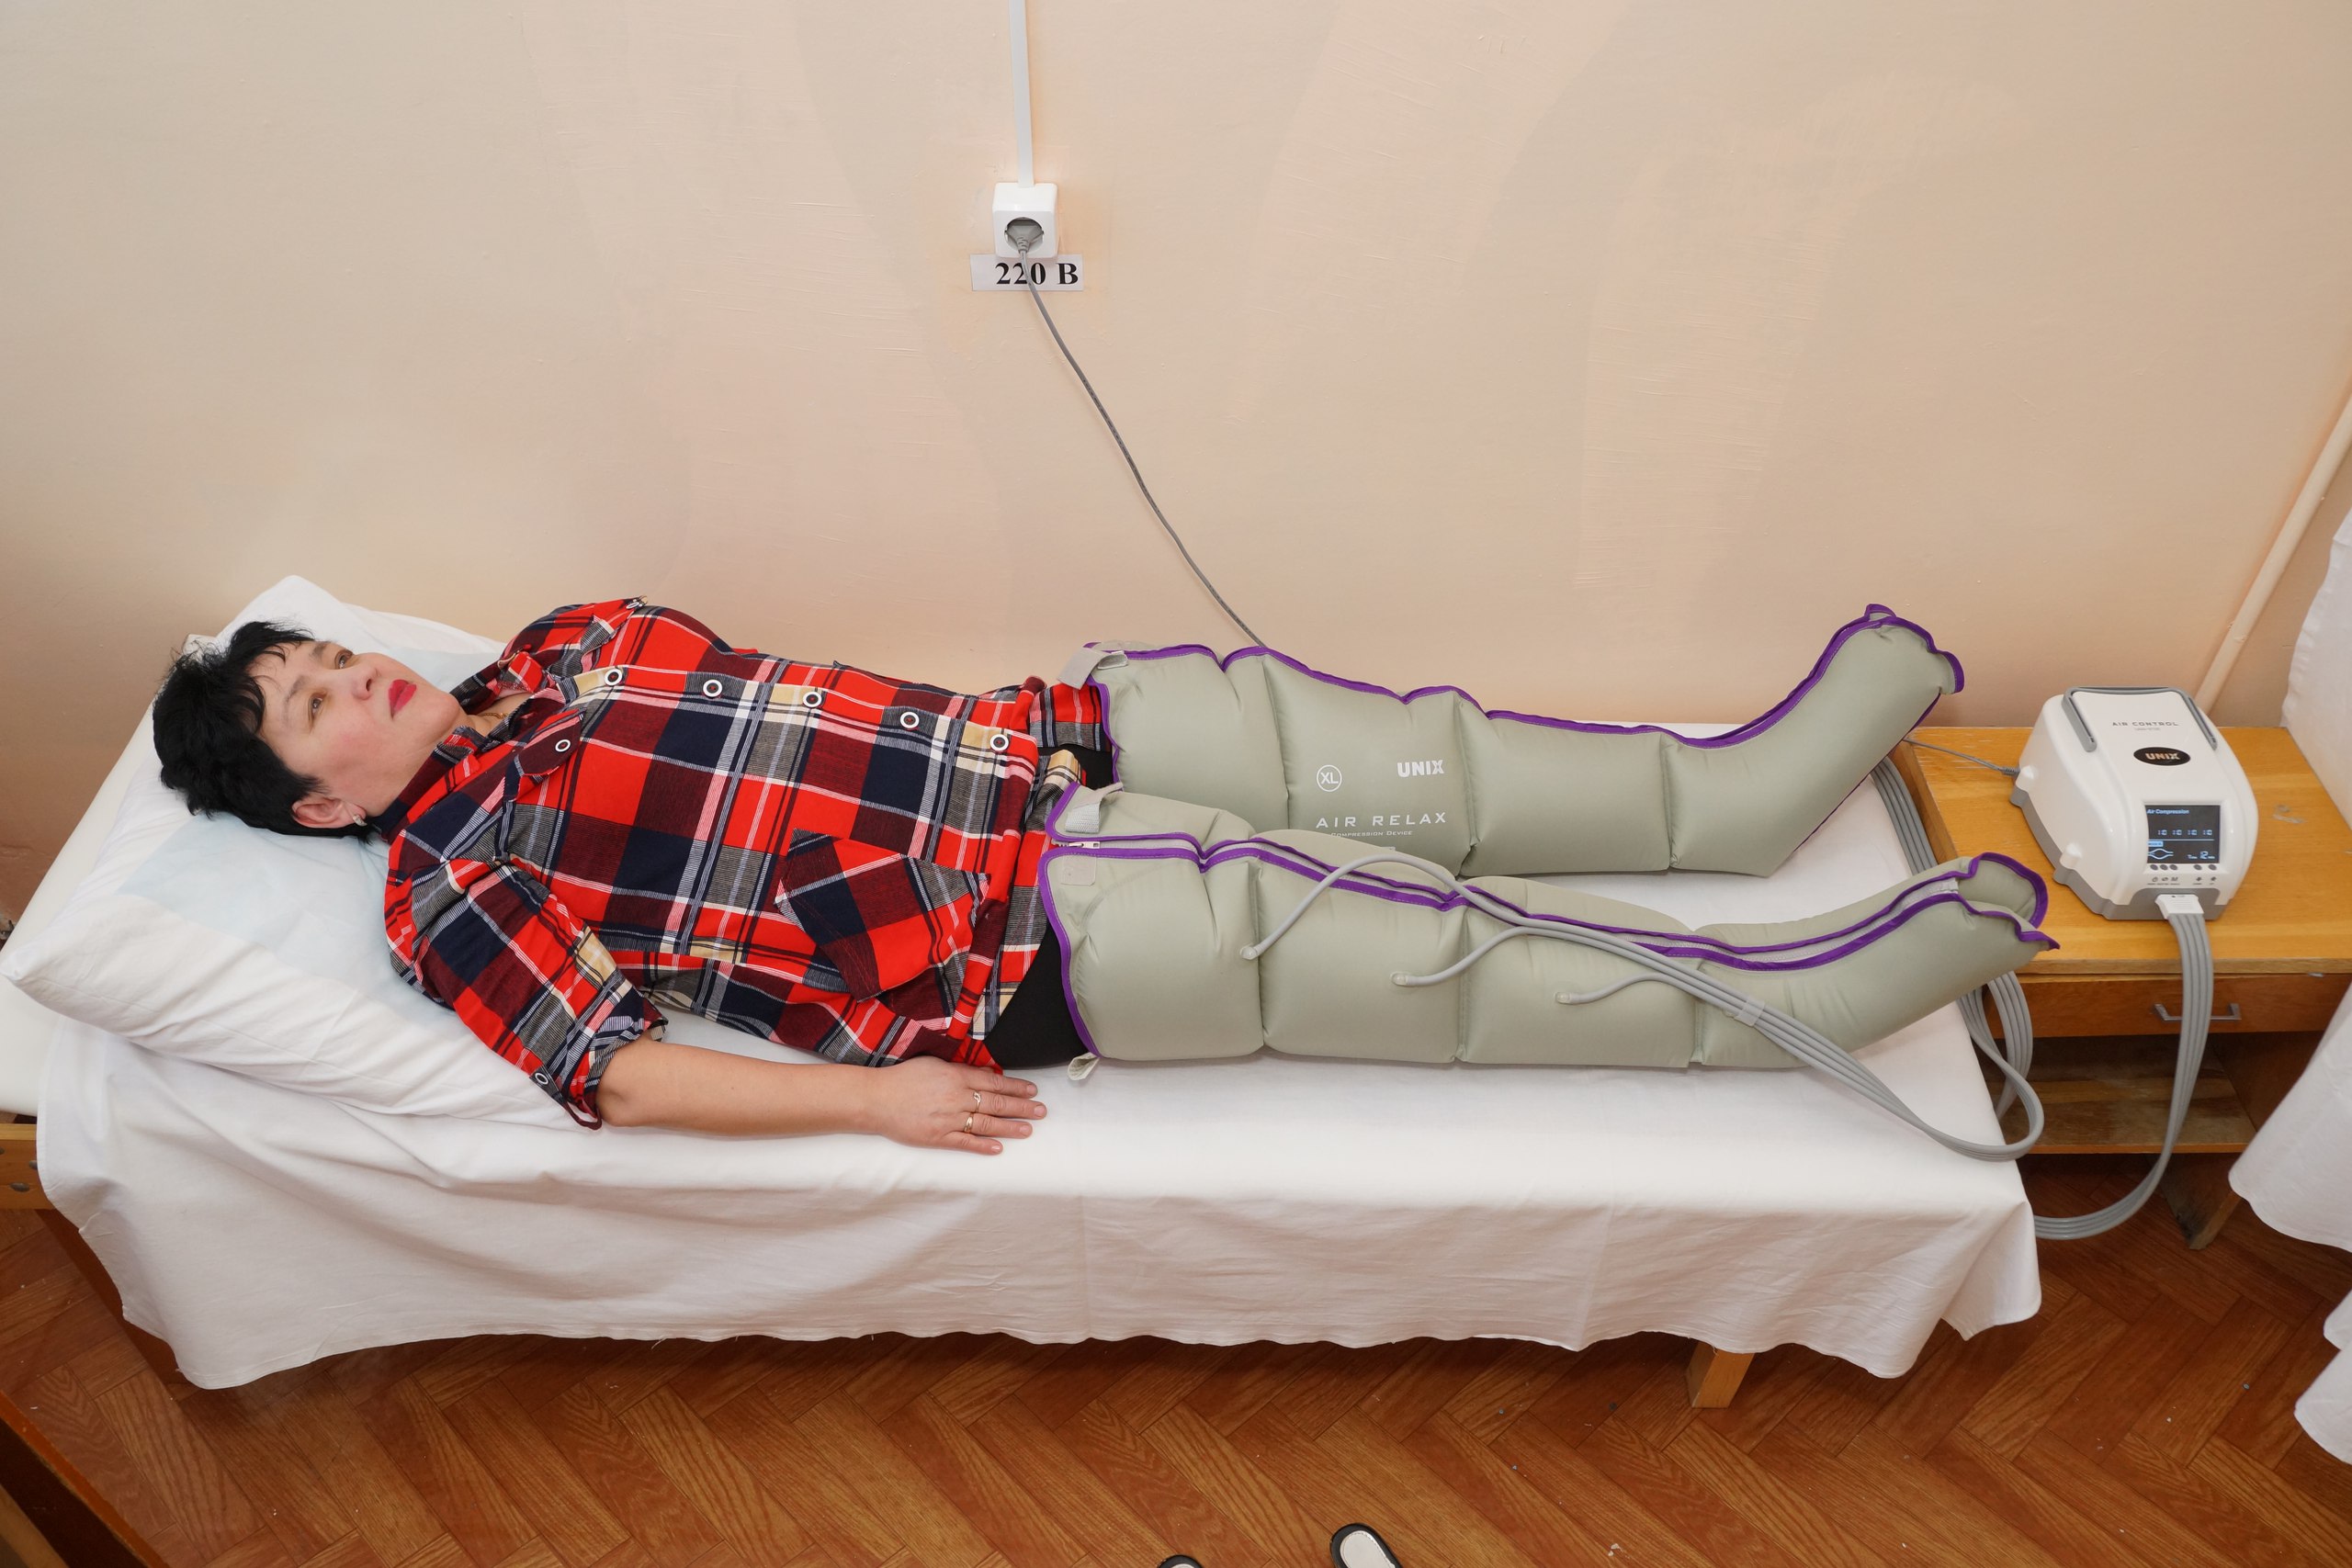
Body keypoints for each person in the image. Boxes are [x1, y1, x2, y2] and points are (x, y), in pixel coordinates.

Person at [152, 597, 2040, 1156]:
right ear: (315, 806)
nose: (353, 676)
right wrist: (873, 1101)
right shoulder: (449, 885)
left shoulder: (568, 642)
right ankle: (1799, 1001)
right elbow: (618, 1073)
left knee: (1430, 766)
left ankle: (1731, 801)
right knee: (1435, 949)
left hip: (1057, 736)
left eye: (330, 655)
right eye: (313, 705)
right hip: (1016, 938)